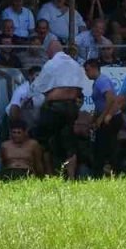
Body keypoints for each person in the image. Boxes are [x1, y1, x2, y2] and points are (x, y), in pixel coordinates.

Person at [30, 39, 86, 178]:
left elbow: (37, 87)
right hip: (72, 106)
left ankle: (47, 173)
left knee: (44, 140)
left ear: (50, 51)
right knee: (69, 143)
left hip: (54, 107)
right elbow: (80, 88)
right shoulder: (75, 64)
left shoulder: (51, 64)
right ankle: (71, 177)